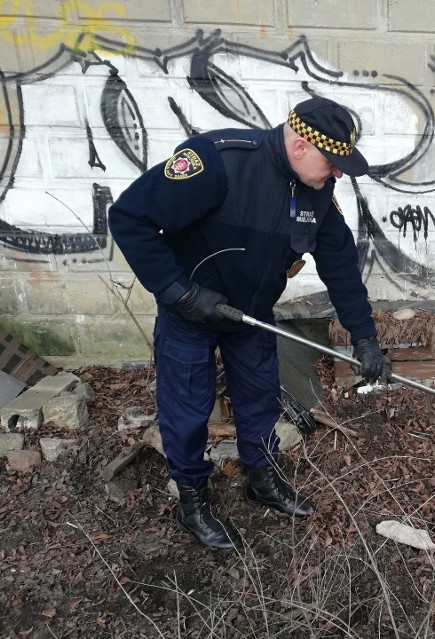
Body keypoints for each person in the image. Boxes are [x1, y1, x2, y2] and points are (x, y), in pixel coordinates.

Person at [108, 97, 385, 552]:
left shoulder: (315, 192)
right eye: (333, 162)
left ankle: (263, 479)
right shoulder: (217, 162)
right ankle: (193, 501)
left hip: (251, 317)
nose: (338, 173)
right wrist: (179, 291)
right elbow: (129, 218)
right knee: (188, 411)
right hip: (191, 313)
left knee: (258, 400)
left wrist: (365, 337)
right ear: (299, 146)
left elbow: (340, 266)